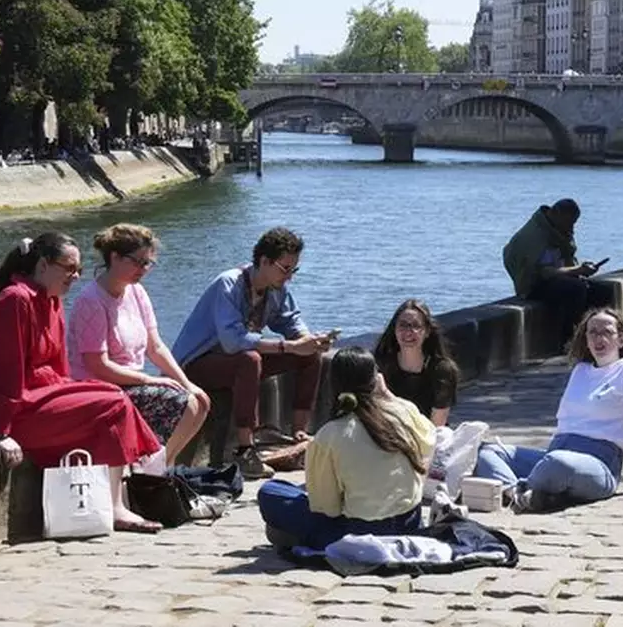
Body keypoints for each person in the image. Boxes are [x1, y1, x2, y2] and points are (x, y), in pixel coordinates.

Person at [0, 233, 163, 534]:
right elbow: (6, 371)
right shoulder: (15, 301)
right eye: (69, 268)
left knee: (112, 395)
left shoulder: (52, 299)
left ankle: (115, 500)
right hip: (13, 410)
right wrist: (1, 432)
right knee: (111, 403)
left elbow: (60, 369)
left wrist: (74, 397)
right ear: (44, 265)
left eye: (79, 270)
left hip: (40, 397)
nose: (75, 277)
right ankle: (115, 507)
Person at [473, 308, 623, 513]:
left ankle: (524, 489)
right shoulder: (580, 370)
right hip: (556, 452)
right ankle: (517, 493)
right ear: (585, 339)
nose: (599, 339)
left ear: (621, 339)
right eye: (592, 333)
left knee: (558, 463)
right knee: (487, 452)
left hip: (598, 464)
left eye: (607, 332)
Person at [172, 227, 332, 480]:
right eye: (285, 268)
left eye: (293, 270)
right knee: (250, 360)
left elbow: (291, 321)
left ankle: (300, 432)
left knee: (310, 355)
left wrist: (309, 341)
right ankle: (246, 449)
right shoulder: (229, 283)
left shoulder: (276, 289)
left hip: (232, 362)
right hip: (196, 365)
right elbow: (234, 341)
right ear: (265, 261)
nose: (289, 276)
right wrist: (289, 347)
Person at [257, 347, 436, 550]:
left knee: (271, 491)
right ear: (376, 379)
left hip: (359, 531)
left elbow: (327, 508)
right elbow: (429, 438)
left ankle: (302, 538)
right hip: (408, 521)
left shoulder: (330, 434)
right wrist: (388, 395)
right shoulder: (403, 411)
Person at [67, 224, 209, 467]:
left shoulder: (137, 292)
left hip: (130, 382)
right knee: (185, 403)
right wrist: (151, 380)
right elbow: (97, 365)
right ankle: (156, 470)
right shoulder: (91, 301)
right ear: (115, 258)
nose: (143, 270)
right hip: (100, 388)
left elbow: (155, 347)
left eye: (148, 263)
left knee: (201, 400)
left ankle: (162, 466)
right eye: (138, 262)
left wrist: (187, 383)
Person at [502, 198, 611, 345]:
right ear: (556, 214)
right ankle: (570, 341)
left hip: (556, 278)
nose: (571, 227)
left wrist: (581, 270)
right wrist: (577, 270)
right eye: (569, 222)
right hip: (534, 284)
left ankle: (603, 337)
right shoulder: (536, 236)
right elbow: (545, 272)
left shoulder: (557, 229)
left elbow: (566, 261)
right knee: (575, 290)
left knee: (602, 291)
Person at [373, 299, 460, 427]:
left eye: (416, 326)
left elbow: (437, 425)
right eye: (403, 325)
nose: (408, 332)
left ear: (427, 332)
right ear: (394, 329)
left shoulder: (442, 370)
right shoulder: (382, 365)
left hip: (428, 439)